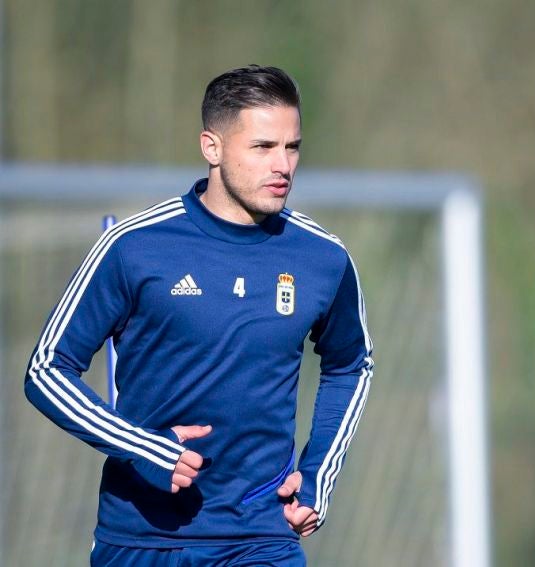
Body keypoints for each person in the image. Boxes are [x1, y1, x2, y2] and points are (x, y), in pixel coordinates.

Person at [24, 65, 373, 566]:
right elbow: (45, 371)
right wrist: (144, 448)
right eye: (262, 147)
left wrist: (318, 474)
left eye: (292, 147)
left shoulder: (322, 258)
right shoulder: (134, 246)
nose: (283, 165)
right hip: (142, 540)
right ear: (212, 147)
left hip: (261, 538)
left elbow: (351, 365)